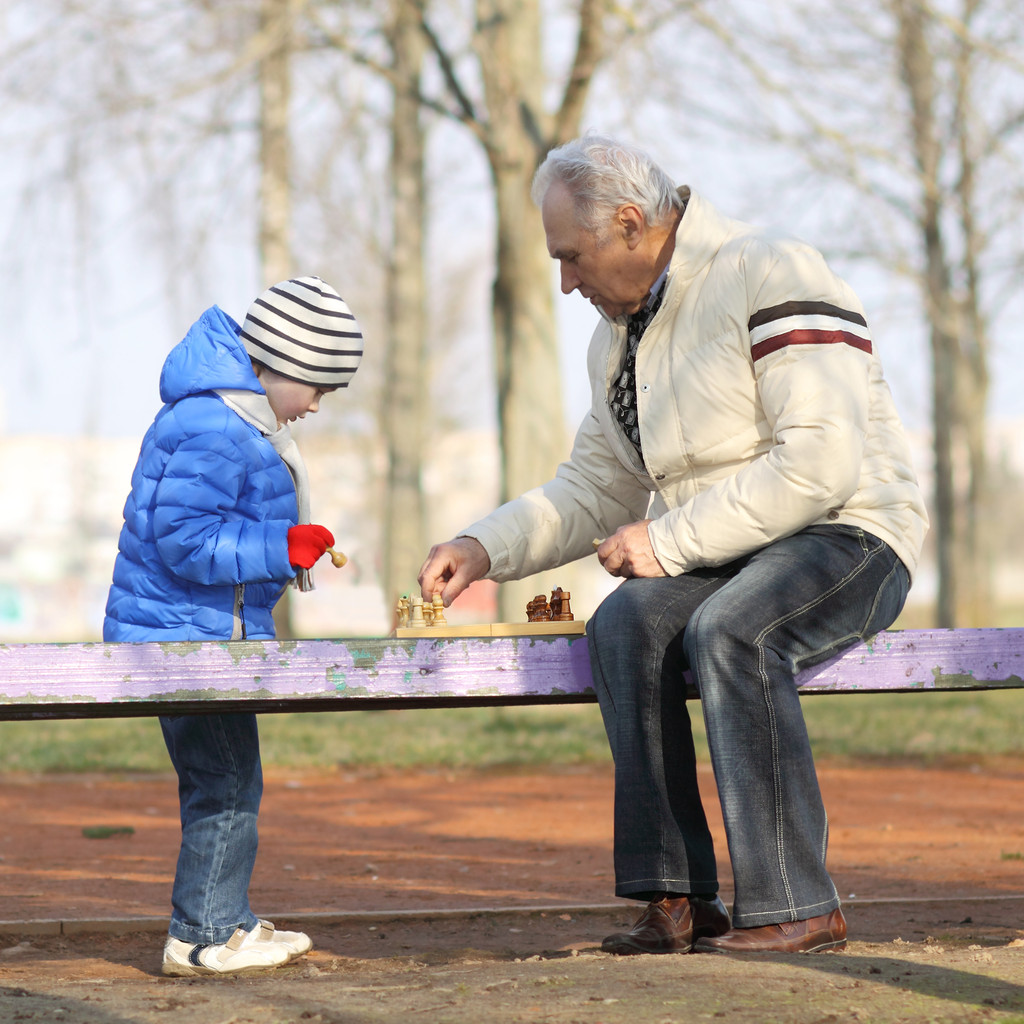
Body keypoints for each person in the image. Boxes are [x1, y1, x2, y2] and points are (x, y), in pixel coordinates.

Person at [418, 134, 927, 955]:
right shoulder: (616, 342)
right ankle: (680, 900)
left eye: (572, 257)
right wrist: (483, 546)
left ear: (629, 224)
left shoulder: (772, 269)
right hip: (728, 554)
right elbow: (592, 489)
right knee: (624, 624)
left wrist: (668, 540)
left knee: (734, 627)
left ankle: (800, 903)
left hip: (851, 533)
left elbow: (821, 463)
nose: (565, 281)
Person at [103, 276, 363, 976]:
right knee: (224, 786)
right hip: (184, 642)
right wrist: (281, 547)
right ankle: (201, 936)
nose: (315, 405)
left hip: (203, 636)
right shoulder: (216, 425)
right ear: (281, 363)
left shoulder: (232, 419)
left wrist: (285, 543)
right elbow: (185, 541)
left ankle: (228, 918)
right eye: (317, 387)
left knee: (231, 779)